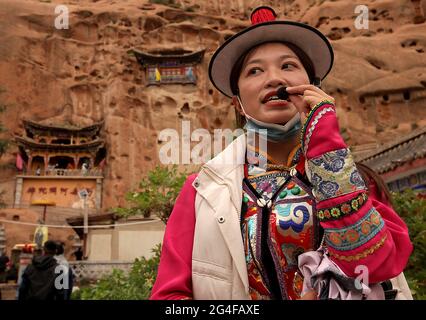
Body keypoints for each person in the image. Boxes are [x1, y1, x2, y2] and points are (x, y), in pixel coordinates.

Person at [150, 6, 413, 300]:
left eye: (288, 66)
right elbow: (170, 298)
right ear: (238, 103)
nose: (274, 79)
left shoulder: (356, 179)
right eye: (255, 71)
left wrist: (326, 144)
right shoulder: (202, 191)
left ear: (313, 87)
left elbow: (375, 266)